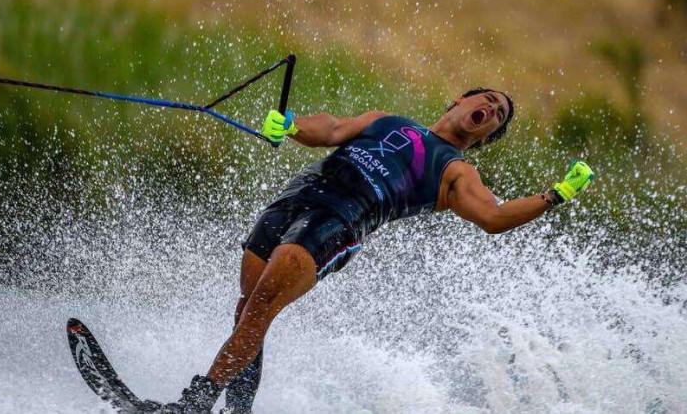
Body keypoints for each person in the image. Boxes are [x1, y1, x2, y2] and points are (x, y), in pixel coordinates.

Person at [155, 88, 594, 413]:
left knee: (262, 305)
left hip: (339, 223)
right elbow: (331, 129)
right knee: (249, 308)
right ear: (459, 100)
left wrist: (554, 195)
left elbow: (493, 218)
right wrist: (291, 125)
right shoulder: (389, 120)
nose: (491, 110)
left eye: (498, 116)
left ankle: (196, 402)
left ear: (484, 136)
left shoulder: (456, 172)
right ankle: (237, 409)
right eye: (489, 101)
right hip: (294, 200)